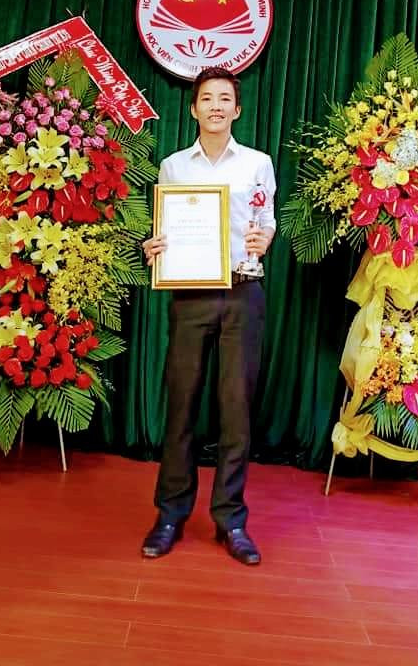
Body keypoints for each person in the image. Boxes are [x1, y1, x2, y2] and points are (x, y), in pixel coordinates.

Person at [141, 66, 276, 566]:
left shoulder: (258, 163)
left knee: (236, 409)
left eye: (224, 98)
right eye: (206, 98)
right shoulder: (174, 167)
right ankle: (170, 515)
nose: (215, 106)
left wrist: (266, 236)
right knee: (181, 405)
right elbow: (165, 228)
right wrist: (155, 247)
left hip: (243, 292)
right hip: (190, 294)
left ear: (236, 110)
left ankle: (231, 520)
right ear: (194, 108)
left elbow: (265, 218)